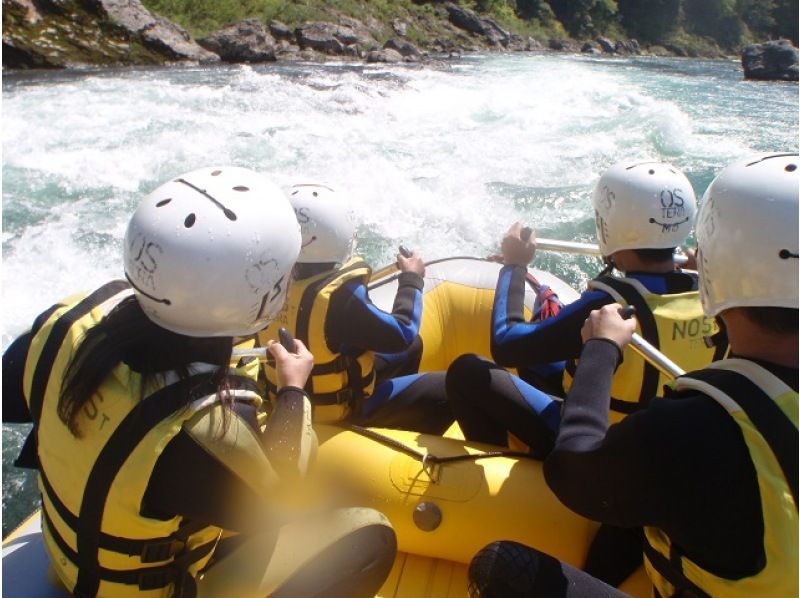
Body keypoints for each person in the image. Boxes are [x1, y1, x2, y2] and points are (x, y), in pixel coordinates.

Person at [2, 167, 397, 597]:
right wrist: (292, 390)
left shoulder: (62, 324)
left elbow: (11, 402)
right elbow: (281, 500)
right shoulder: (207, 425)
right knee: (370, 534)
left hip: (69, 561)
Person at [468, 152, 798, 597]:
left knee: (471, 376)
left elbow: (570, 469)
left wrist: (598, 344)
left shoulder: (683, 429)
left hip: (617, 454)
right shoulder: (701, 333)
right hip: (669, 476)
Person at [446, 160, 720, 459]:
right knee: (535, 363)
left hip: (602, 449)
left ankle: (496, 465)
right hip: (670, 439)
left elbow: (506, 344)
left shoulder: (609, 304)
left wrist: (514, 266)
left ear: (608, 227)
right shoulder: (716, 295)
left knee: (467, 372)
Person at [258, 183, 452, 434]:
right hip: (341, 410)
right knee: (450, 385)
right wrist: (411, 279)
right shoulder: (340, 297)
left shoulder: (265, 281)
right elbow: (403, 332)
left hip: (289, 393)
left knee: (414, 348)